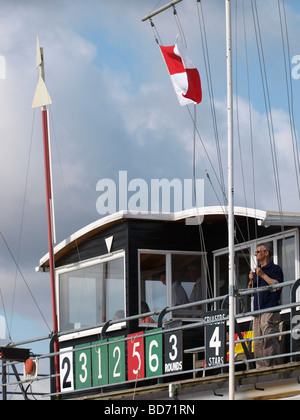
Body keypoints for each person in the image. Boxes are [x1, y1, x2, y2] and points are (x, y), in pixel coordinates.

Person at [248, 243, 284, 369]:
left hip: (270, 307)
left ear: (266, 253)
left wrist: (262, 275)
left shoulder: (275, 269)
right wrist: (251, 281)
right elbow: (249, 292)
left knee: (268, 336)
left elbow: (278, 285)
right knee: (257, 341)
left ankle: (270, 366)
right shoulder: (257, 270)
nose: (255, 254)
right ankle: (260, 368)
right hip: (258, 310)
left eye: (258, 251)